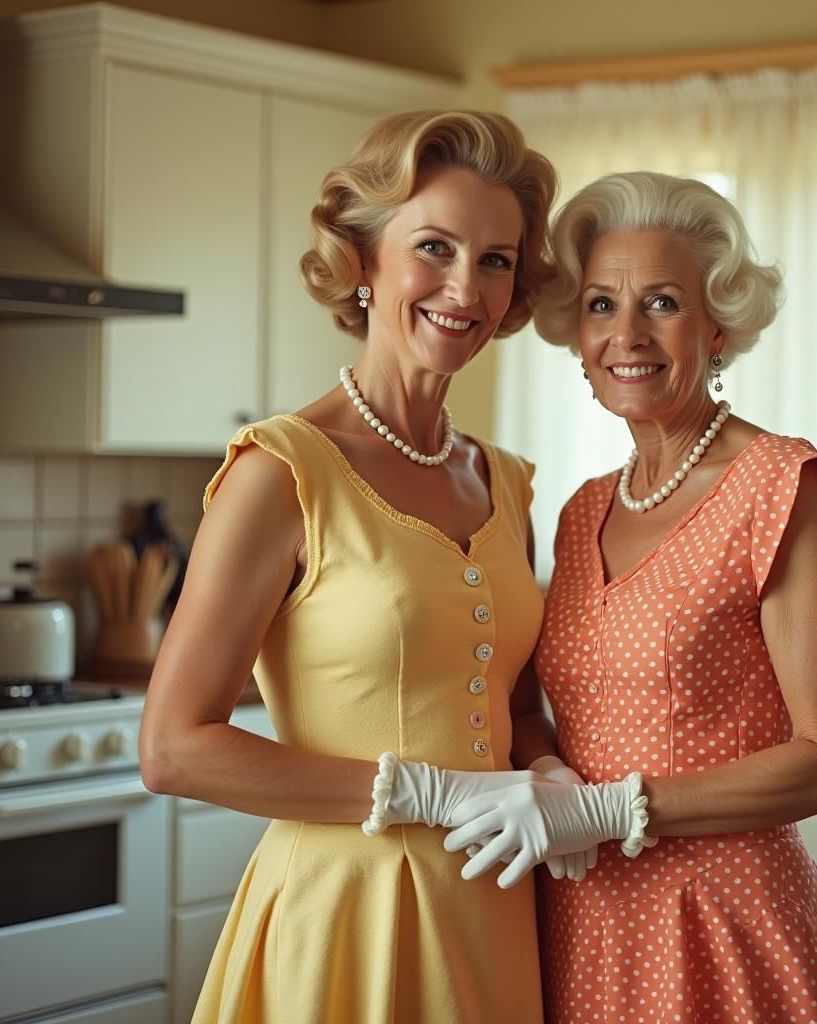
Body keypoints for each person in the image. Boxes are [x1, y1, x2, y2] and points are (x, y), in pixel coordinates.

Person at [139, 109, 560, 1024]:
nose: (465, 286)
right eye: (435, 247)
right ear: (364, 260)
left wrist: (550, 769)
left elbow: (513, 702)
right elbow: (173, 748)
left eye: (495, 259)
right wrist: (431, 791)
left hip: (493, 914)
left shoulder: (510, 483)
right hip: (345, 916)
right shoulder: (280, 472)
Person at [444, 171, 817, 1022]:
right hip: (583, 924)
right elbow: (538, 708)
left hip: (724, 924)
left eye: (664, 303)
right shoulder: (580, 512)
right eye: (601, 305)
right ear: (575, 332)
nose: (627, 333)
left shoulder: (778, 484)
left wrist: (608, 811)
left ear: (718, 325)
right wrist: (547, 774)